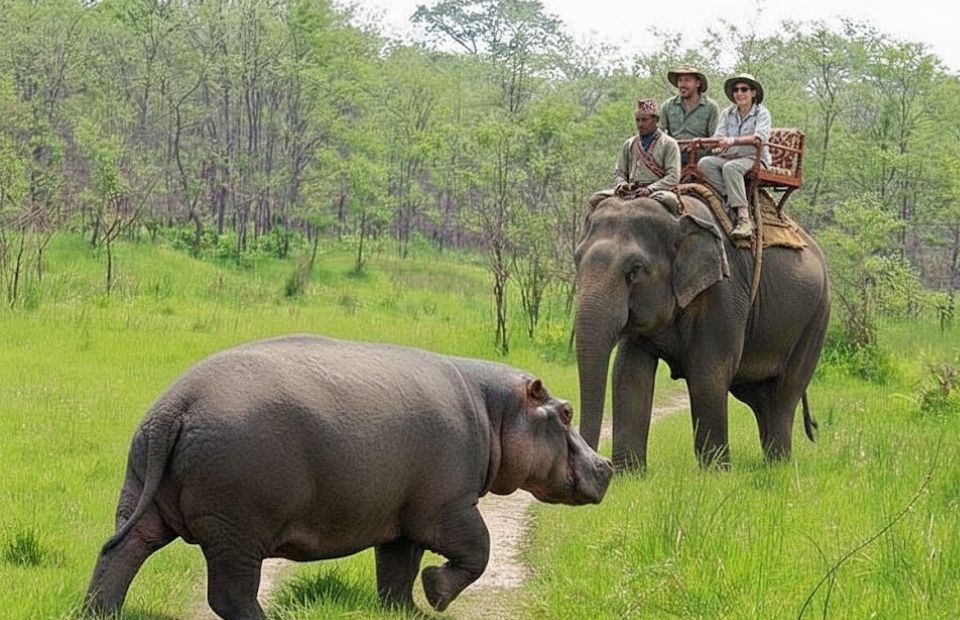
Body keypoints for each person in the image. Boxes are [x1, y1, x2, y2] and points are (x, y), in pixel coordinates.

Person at [696, 73, 771, 239]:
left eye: (744, 89)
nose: (739, 93)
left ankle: (744, 219)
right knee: (704, 163)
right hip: (730, 156)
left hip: (753, 158)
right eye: (736, 89)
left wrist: (733, 140)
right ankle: (730, 199)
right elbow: (718, 136)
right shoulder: (727, 113)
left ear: (753, 93)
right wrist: (704, 142)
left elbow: (759, 138)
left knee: (730, 168)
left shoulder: (761, 113)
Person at [587, 98, 680, 210]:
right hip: (631, 190)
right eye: (637, 120)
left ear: (656, 120)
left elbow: (673, 176)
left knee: (671, 201)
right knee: (595, 199)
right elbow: (619, 172)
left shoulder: (669, 143)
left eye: (645, 120)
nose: (640, 124)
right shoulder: (629, 143)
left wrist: (650, 189)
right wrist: (621, 184)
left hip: (657, 192)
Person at [659, 65, 720, 164]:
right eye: (680, 80)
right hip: (673, 157)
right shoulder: (667, 106)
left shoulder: (711, 107)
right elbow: (659, 133)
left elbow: (715, 138)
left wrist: (697, 145)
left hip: (701, 159)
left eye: (687, 80)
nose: (682, 84)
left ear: (698, 83)